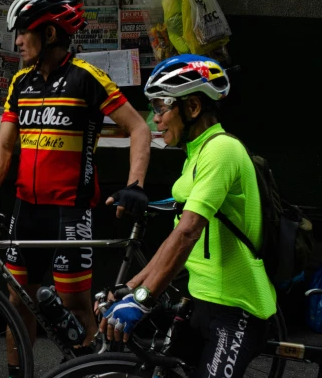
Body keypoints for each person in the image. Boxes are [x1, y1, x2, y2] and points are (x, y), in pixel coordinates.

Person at [0, 0, 151, 377]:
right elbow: (5, 146)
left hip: (69, 212)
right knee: (17, 300)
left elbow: (139, 128)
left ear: (52, 34)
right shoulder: (21, 82)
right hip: (25, 209)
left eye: (25, 32)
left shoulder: (87, 78)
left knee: (73, 304)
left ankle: (84, 371)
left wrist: (136, 183)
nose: (18, 41)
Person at [101, 54, 276, 378]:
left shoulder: (220, 151)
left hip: (237, 309)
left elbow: (188, 233)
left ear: (193, 107)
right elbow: (177, 234)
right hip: (201, 301)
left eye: (161, 108)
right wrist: (131, 286)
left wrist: (142, 298)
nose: (156, 121)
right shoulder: (197, 152)